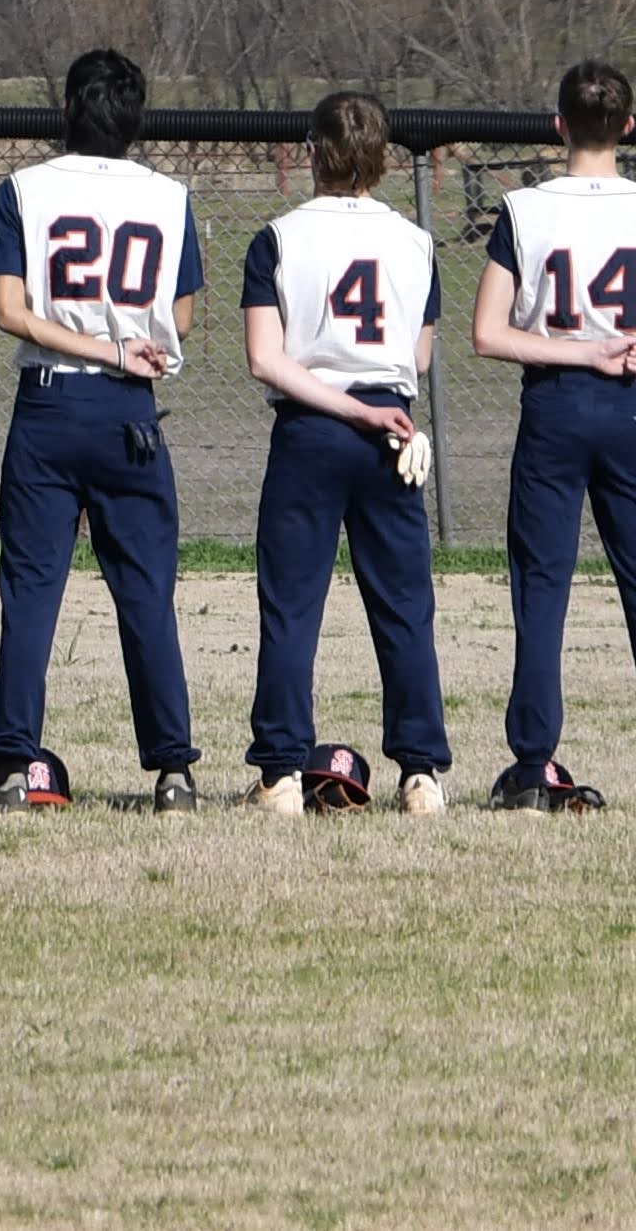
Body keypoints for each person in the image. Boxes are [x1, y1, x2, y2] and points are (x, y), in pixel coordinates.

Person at [0, 48, 206, 814]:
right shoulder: (169, 195)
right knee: (145, 591)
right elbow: (183, 316)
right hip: (129, 408)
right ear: (136, 120)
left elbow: (10, 311)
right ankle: (172, 771)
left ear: (68, 109)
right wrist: (124, 342)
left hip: (48, 404)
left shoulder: (25, 190)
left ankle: (9, 766)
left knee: (33, 590)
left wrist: (93, 340)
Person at [472, 57, 636, 812]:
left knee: (543, 587)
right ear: (628, 127)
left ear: (558, 124)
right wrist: (626, 340)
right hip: (630, 404)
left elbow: (488, 332)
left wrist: (575, 346)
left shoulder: (525, 209)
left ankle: (535, 762)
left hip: (555, 403)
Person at [237, 90, 450, 814]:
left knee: (293, 604)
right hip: (392, 428)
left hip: (312, 427)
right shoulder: (417, 242)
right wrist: (376, 406)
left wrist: (344, 400)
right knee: (403, 605)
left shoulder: (279, 237)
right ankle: (421, 771)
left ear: (312, 153)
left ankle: (281, 771)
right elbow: (416, 357)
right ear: (383, 159)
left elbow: (266, 358)